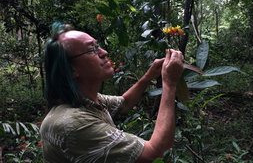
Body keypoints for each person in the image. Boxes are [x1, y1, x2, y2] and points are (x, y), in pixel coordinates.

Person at [40, 22, 184, 163]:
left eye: (98, 46)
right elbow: (156, 154)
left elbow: (125, 102)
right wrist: (169, 83)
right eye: (92, 50)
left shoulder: (86, 101)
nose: (104, 52)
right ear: (71, 70)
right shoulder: (72, 124)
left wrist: (148, 76)